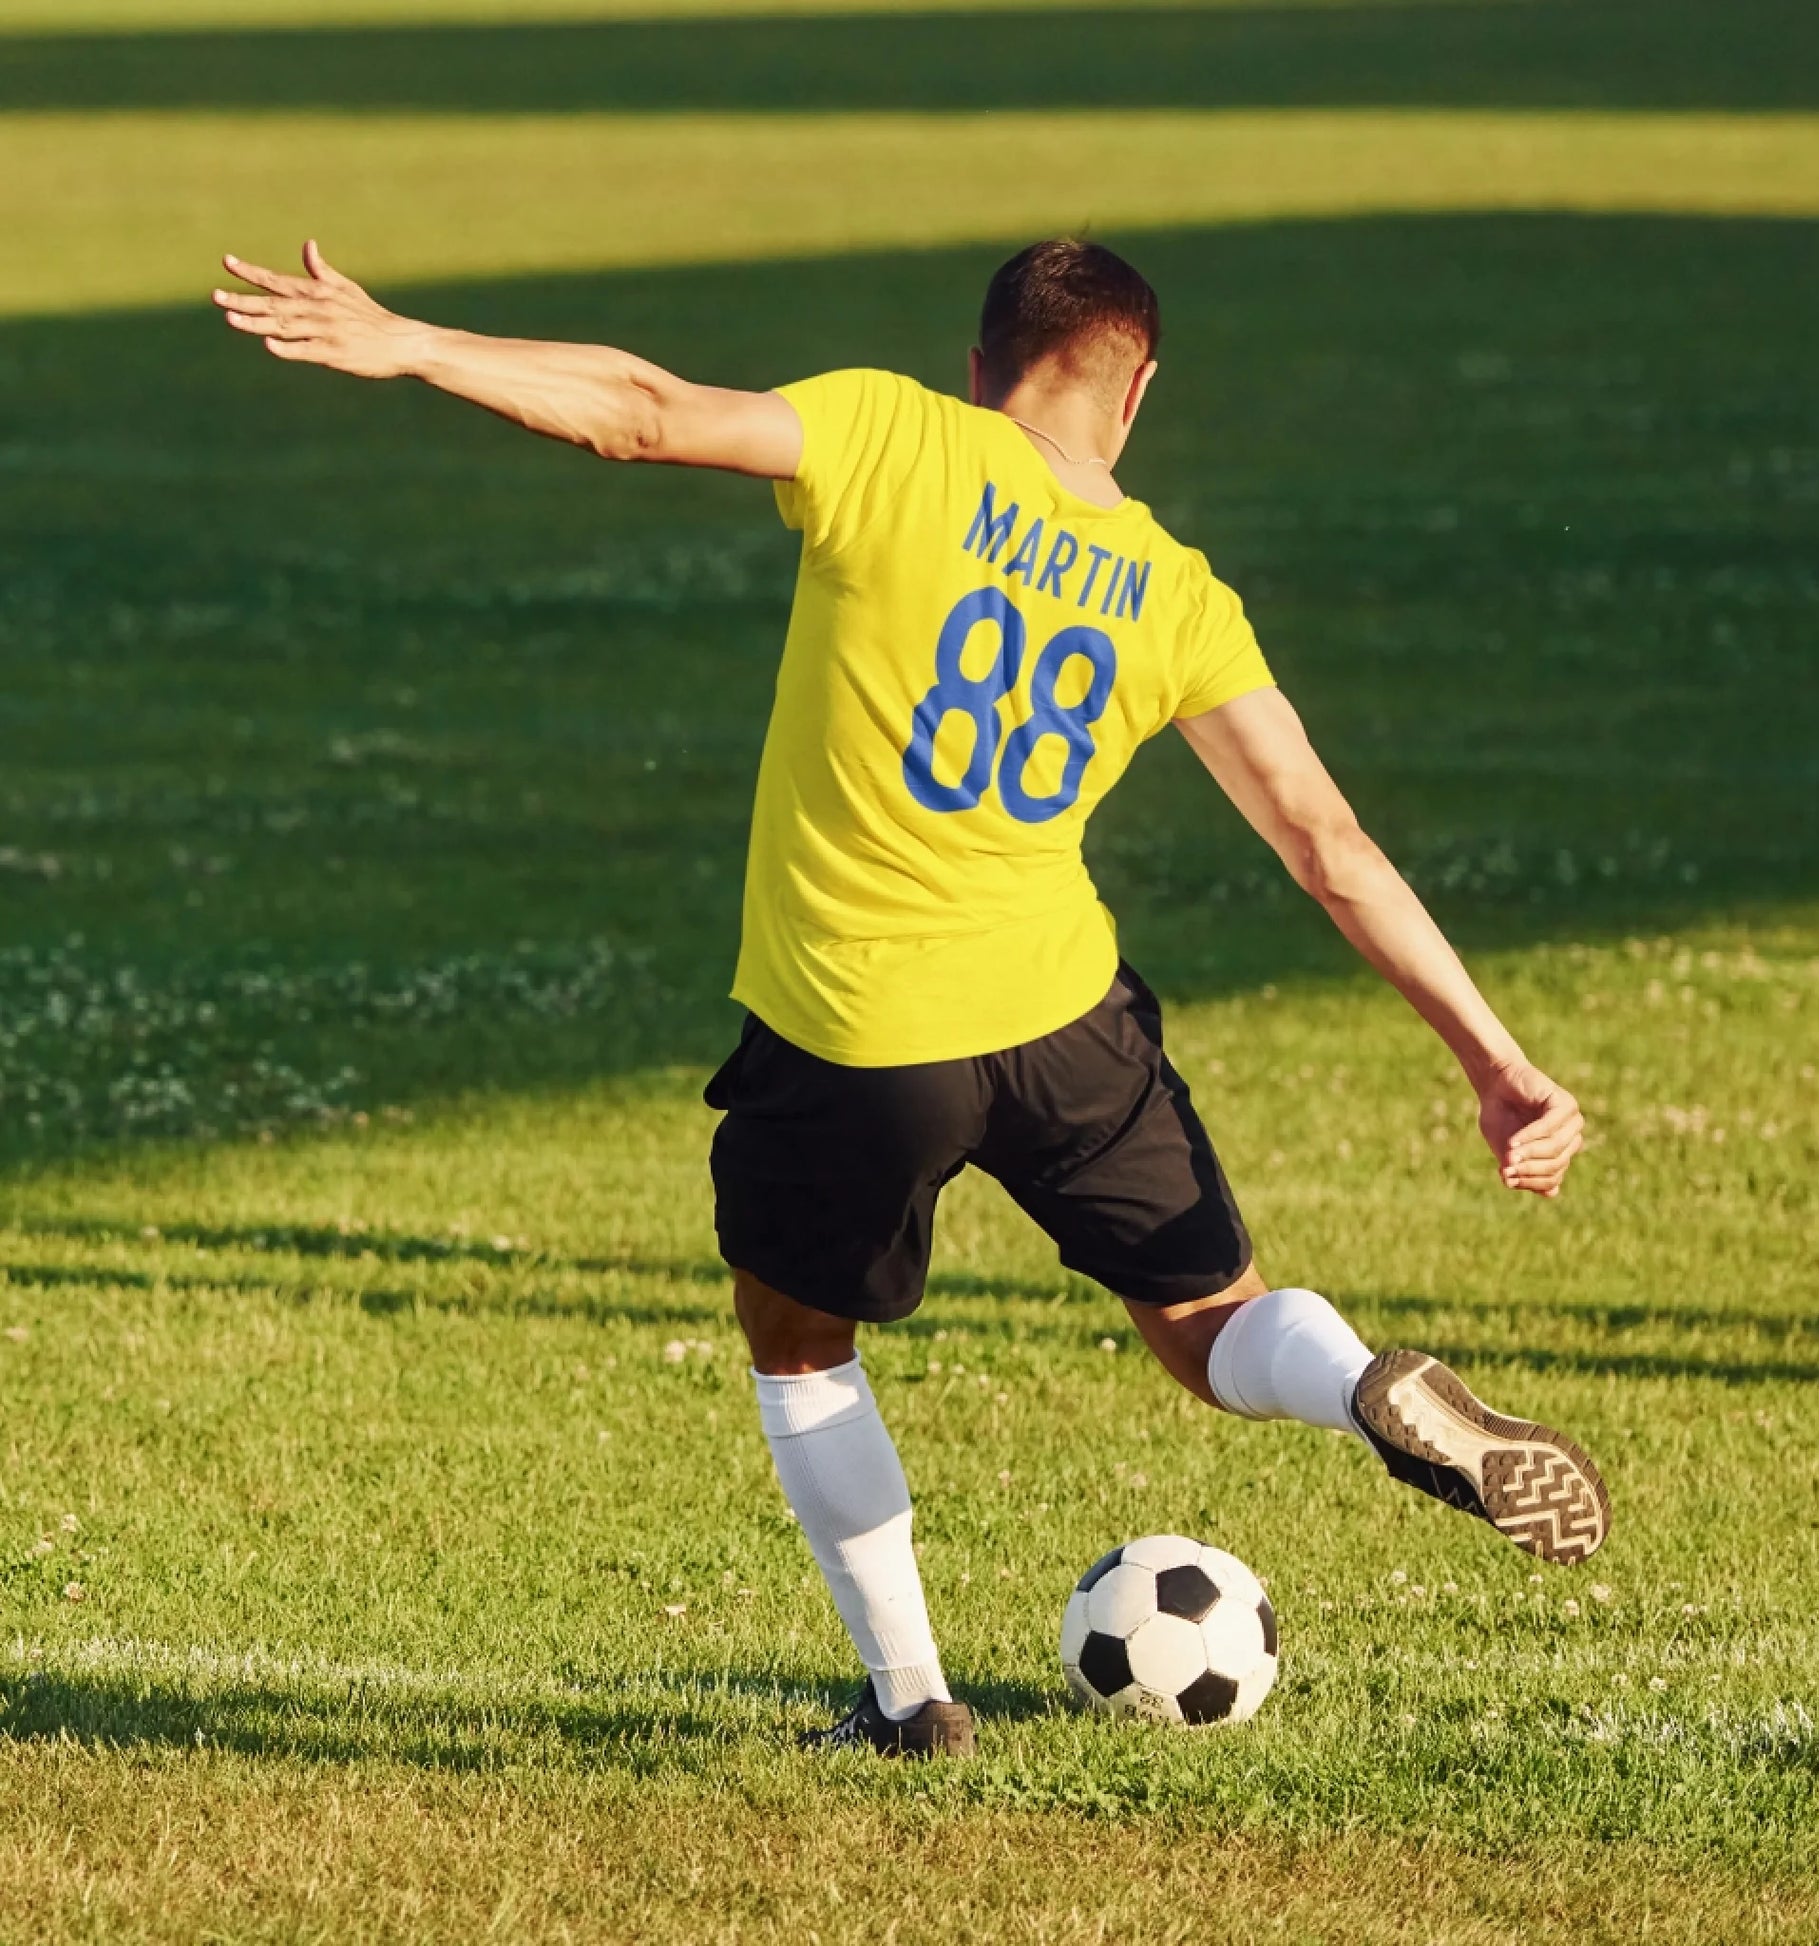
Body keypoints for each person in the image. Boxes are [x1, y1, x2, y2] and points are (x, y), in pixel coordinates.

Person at [215, 235, 1610, 1760]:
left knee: (796, 1335)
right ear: (1135, 389)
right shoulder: (1174, 589)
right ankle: (1359, 1384)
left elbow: (642, 412)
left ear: (979, 364)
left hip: (857, 1034)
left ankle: (908, 1701)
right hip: (1064, 1020)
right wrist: (1494, 1059)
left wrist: (416, 342)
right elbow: (1325, 846)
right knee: (1209, 1326)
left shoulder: (896, 436)